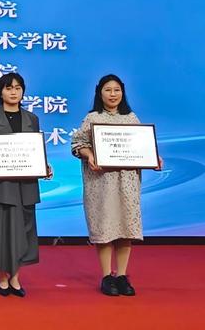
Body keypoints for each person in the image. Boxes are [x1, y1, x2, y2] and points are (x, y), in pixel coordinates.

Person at [71, 74, 163, 296]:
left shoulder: (131, 118)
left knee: (125, 228)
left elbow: (142, 148)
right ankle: (106, 277)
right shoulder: (92, 118)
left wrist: (154, 158)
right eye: (108, 90)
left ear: (122, 92)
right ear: (99, 93)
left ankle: (121, 276)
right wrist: (89, 155)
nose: (113, 94)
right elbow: (77, 144)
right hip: (101, 183)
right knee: (105, 227)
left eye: (117, 90)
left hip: (127, 182)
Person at [0, 72, 52, 297]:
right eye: (8, 88)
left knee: (23, 234)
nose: (13, 92)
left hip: (25, 188)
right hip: (0, 188)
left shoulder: (32, 119)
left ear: (23, 91)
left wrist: (44, 167)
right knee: (2, 234)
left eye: (17, 88)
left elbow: (35, 153)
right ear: (0, 92)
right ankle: (3, 278)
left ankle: (15, 277)